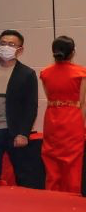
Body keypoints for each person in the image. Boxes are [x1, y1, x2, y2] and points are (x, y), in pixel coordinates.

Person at [0, 29, 41, 188]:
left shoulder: (27, 74)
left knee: (23, 174)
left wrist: (23, 133)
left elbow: (31, 106)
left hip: (13, 132)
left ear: (20, 50)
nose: (6, 47)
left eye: (11, 44)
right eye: (3, 43)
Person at [40, 36, 86, 195]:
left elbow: (49, 98)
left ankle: (52, 196)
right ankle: (72, 195)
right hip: (72, 119)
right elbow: (82, 102)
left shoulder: (45, 73)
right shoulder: (81, 73)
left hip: (52, 118)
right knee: (73, 161)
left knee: (50, 158)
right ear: (73, 52)